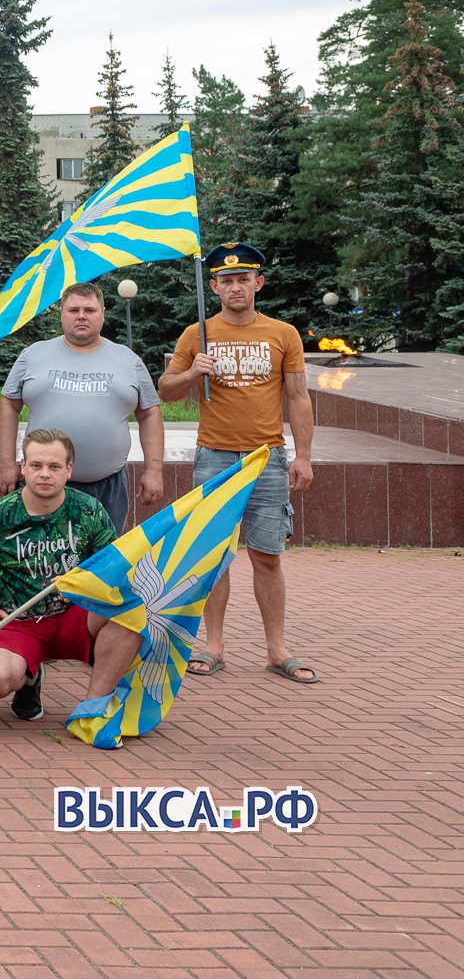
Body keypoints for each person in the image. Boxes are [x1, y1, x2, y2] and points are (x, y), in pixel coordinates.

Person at [157, 241, 318, 684]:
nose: (235, 287)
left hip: (267, 457)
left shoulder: (283, 334)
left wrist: (303, 456)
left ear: (258, 284)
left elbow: (298, 397)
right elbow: (165, 390)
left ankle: (277, 649)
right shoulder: (198, 334)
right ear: (213, 287)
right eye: (226, 280)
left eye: (243, 279)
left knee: (268, 556)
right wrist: (191, 373)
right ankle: (213, 646)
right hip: (215, 457)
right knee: (214, 557)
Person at [0, 429, 136, 722]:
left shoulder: (88, 510)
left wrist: (85, 585)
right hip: (16, 620)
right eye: (36, 466)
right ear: (23, 467)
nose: (44, 474)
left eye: (54, 467)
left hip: (75, 615)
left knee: (128, 615)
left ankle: (93, 708)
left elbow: (115, 569)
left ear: (69, 470)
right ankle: (29, 678)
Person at [0, 282, 164, 534]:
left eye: (90, 309)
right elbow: (8, 405)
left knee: (103, 562)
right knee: (40, 559)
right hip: (42, 483)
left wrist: (154, 469)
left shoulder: (128, 360)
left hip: (108, 486)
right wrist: (7, 462)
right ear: (62, 312)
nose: (82, 316)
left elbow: (150, 413)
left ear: (103, 313)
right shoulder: (33, 355)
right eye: (74, 310)